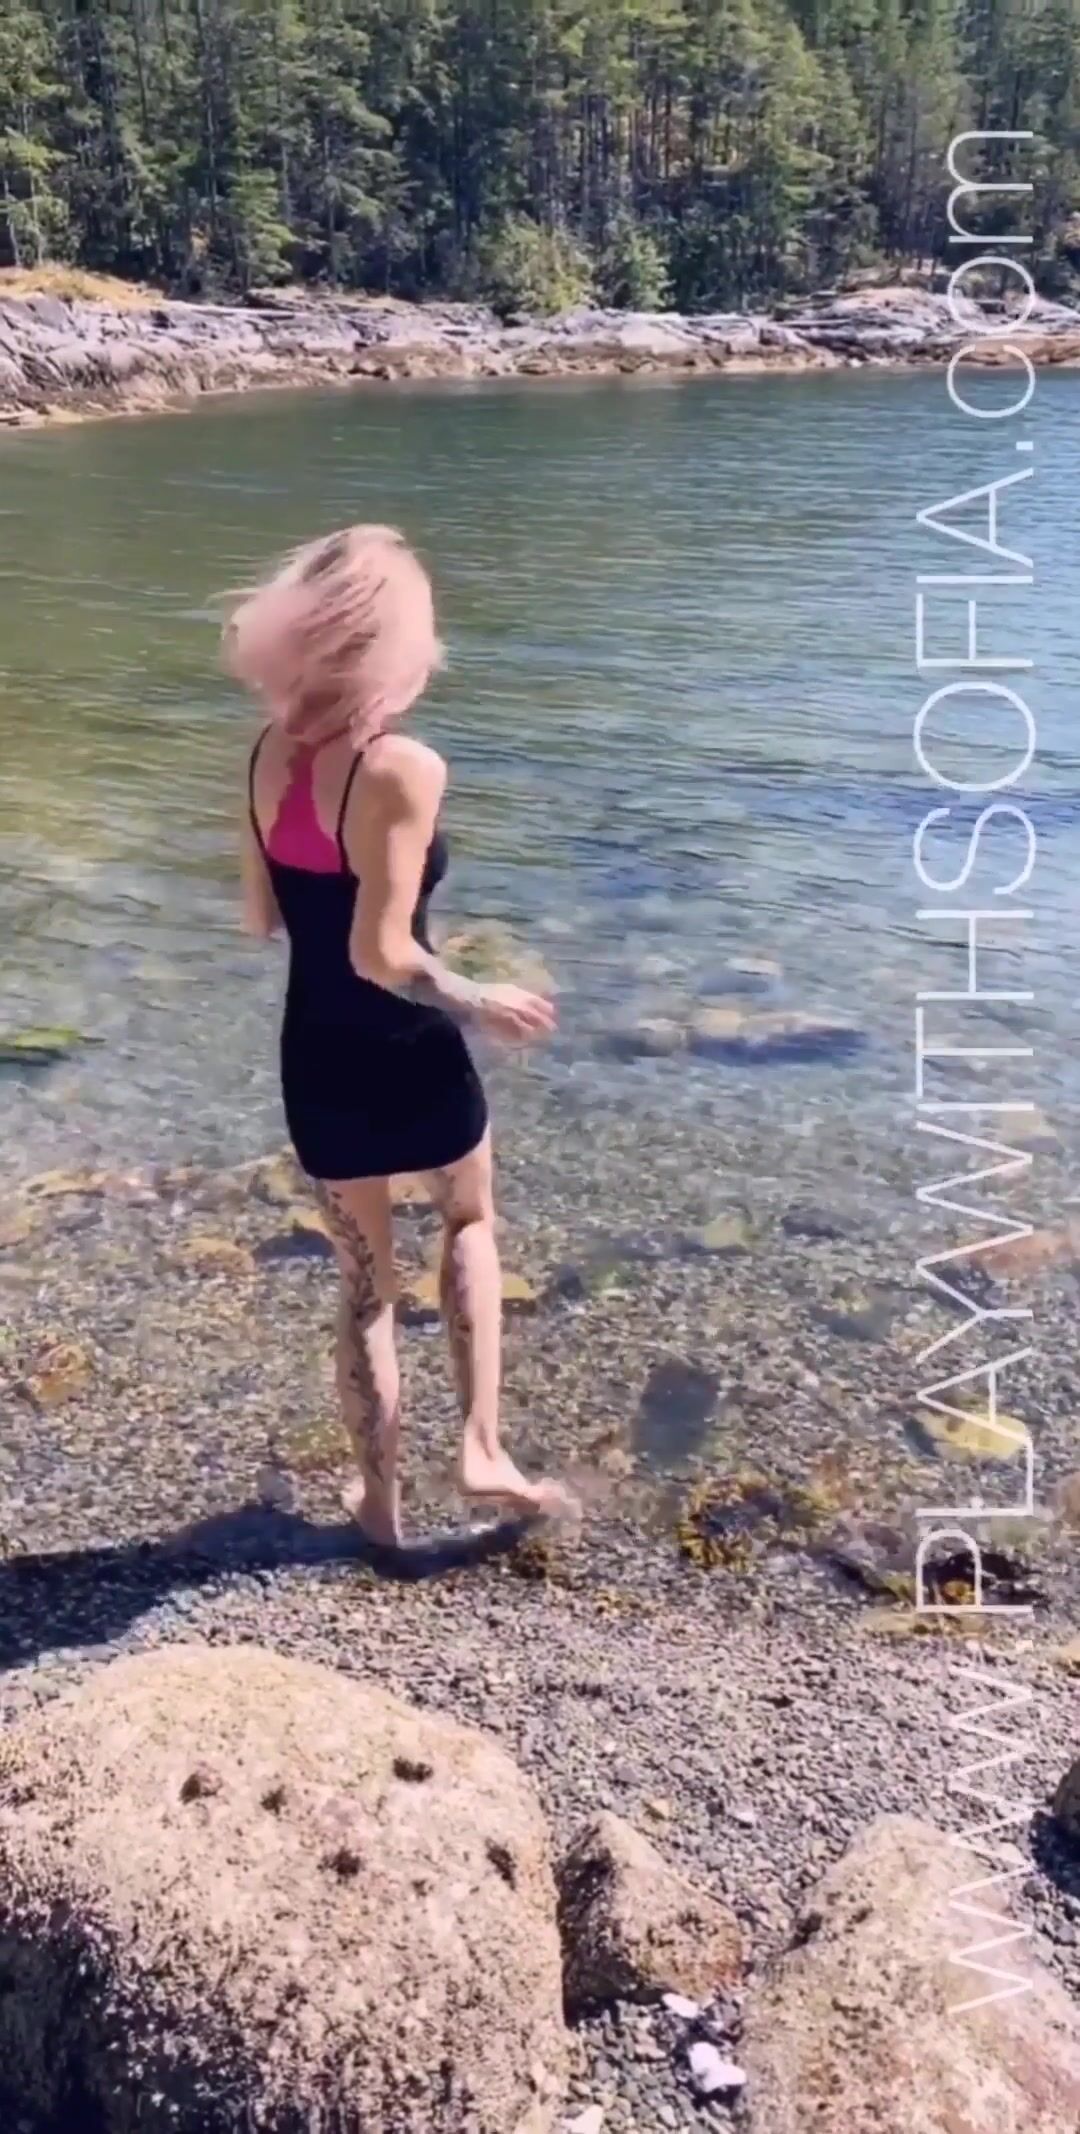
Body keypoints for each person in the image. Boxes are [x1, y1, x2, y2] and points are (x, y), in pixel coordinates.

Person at [226, 524, 575, 1547]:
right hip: (407, 1046)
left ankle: (379, 1505)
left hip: (315, 1050)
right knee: (466, 1222)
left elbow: (260, 919)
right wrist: (477, 994)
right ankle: (481, 1449)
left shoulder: (264, 754)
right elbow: (385, 954)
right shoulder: (400, 767)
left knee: (365, 1285)